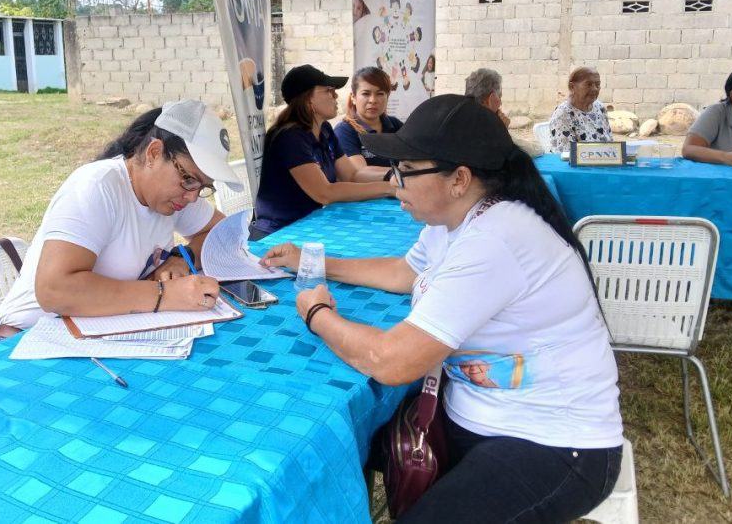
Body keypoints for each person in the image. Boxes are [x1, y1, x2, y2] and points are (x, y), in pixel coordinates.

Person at [261, 95, 623, 523]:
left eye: (408, 172)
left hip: (553, 442)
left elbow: (392, 362)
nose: (395, 184)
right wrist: (314, 262)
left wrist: (317, 314)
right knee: (341, 446)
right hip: (480, 414)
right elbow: (403, 271)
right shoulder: (458, 217)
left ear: (459, 179)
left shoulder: (495, 238)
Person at [0, 100, 241, 333]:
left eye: (203, 187)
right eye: (188, 179)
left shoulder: (178, 195)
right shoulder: (97, 187)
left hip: (96, 337)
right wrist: (164, 294)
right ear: (154, 153)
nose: (193, 197)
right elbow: (54, 290)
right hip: (26, 337)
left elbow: (224, 234)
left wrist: (182, 257)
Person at [251, 65, 395, 239]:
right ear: (308, 100)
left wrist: (393, 176)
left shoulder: (324, 129)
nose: (335, 96)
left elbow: (351, 175)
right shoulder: (290, 137)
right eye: (329, 91)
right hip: (278, 233)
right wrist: (389, 189)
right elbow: (325, 193)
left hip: (310, 225)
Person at [333, 67, 403, 176]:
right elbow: (359, 172)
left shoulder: (395, 125)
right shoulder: (344, 130)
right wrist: (401, 175)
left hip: (402, 191)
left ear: (387, 96)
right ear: (353, 97)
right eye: (366, 94)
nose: (373, 100)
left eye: (380, 94)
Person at [548, 66, 613, 153]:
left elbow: (610, 143)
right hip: (576, 165)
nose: (594, 89)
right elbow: (566, 155)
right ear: (572, 87)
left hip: (603, 162)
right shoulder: (564, 114)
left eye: (597, 84)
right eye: (588, 84)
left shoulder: (600, 107)